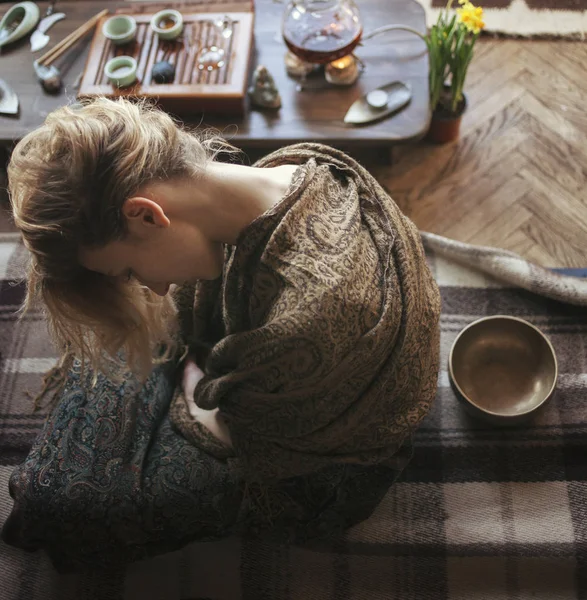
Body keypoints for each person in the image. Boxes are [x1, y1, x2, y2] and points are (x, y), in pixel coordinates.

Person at [3, 97, 441, 571]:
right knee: (121, 362)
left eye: (128, 270)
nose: (150, 287)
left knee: (59, 500)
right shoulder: (295, 169)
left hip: (327, 466)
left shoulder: (310, 313)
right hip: (302, 368)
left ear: (147, 215)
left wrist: (195, 387)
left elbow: (252, 445)